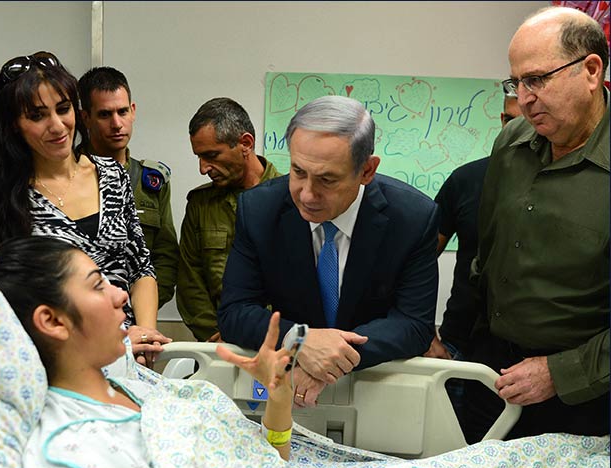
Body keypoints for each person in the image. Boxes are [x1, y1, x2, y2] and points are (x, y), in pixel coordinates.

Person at [0, 236, 297, 468]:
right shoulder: (76, 450)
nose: (121, 294)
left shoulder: (138, 386)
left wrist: (279, 397)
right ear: (54, 321)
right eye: (98, 285)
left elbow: (269, 465)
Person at [217, 95, 440, 408]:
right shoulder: (259, 210)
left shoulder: (413, 218)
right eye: (298, 172)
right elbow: (235, 311)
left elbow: (413, 323)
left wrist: (330, 359)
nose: (307, 194)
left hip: (378, 391)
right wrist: (300, 341)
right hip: (290, 394)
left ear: (367, 171)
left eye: (327, 179)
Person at [465, 6, 609, 443]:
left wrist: (559, 373)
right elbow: (486, 255)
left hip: (587, 394)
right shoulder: (511, 142)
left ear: (590, 70)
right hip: (492, 375)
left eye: (538, 79)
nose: (524, 98)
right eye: (516, 82)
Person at [0, 51, 168, 365]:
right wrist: (115, 343)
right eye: (37, 116)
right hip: (65, 364)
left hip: (134, 359)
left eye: (63, 109)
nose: (57, 125)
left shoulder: (113, 176)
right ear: (13, 126)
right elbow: (19, 307)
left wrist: (144, 335)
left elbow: (141, 267)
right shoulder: (10, 201)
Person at [423, 90, 522, 420]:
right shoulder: (466, 180)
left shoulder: (576, 185)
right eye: (510, 120)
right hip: (457, 345)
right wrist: (424, 333)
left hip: (525, 357)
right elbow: (416, 261)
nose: (517, 130)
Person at [176, 97, 281, 342]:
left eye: (211, 155)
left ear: (245, 143)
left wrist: (252, 334)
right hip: (217, 347)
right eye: (199, 157)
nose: (203, 168)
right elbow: (191, 285)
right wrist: (221, 336)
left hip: (276, 346)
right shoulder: (201, 204)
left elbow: (302, 287)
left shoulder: (290, 200)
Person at [78, 67, 179, 309]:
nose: (116, 124)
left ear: (132, 111)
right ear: (85, 118)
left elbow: (165, 258)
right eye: (104, 114)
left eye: (122, 112)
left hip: (139, 313)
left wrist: (141, 306)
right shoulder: (67, 177)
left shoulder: (152, 181)